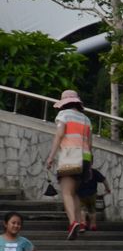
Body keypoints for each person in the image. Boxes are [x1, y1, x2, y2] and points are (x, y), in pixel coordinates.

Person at [43, 89, 92, 240]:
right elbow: (90, 143)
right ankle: (81, 221)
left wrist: (51, 156)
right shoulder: (86, 119)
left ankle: (73, 223)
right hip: (85, 158)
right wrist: (89, 164)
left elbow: (59, 135)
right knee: (74, 192)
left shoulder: (63, 115)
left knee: (66, 192)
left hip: (70, 156)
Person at [76, 166, 109, 232]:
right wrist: (107, 188)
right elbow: (104, 180)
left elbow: (75, 182)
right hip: (92, 194)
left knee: (82, 209)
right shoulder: (94, 172)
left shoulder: (79, 172)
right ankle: (93, 225)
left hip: (81, 194)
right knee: (92, 209)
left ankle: (83, 224)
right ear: (91, 163)